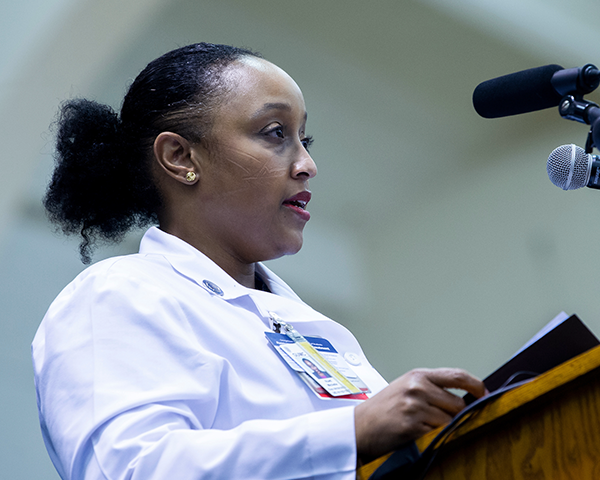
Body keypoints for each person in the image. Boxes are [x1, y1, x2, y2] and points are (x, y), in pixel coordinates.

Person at [32, 42, 486, 480]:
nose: (307, 164)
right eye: (275, 133)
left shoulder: (317, 327)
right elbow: (131, 470)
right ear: (180, 157)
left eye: (304, 139)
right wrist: (351, 431)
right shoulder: (118, 294)